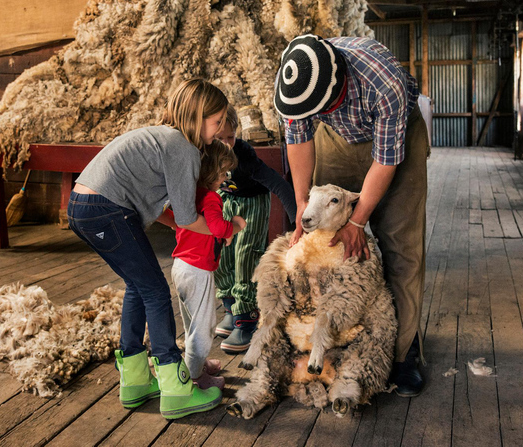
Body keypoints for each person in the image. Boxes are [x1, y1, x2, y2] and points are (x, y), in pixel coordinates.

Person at [274, 34, 429, 397]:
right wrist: (302, 204)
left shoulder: (383, 81)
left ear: (338, 87)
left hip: (396, 135)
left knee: (400, 245)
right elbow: (298, 142)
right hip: (337, 137)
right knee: (328, 244)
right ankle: (337, 343)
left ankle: (404, 354)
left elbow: (386, 160)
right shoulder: (296, 83)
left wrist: (358, 221)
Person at [67, 79, 226, 420]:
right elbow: (187, 217)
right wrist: (225, 229)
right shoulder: (183, 147)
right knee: (155, 291)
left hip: (85, 203)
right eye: (217, 121)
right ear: (197, 118)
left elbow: (172, 217)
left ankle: (136, 381)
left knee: (139, 289)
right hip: (106, 208)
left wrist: (185, 223)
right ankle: (175, 387)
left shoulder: (162, 138)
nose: (220, 129)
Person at [213, 106, 297, 353]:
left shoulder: (244, 155)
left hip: (252, 202)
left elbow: (277, 184)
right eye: (220, 138)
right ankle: (230, 307)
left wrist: (297, 223)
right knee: (222, 254)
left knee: (245, 256)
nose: (226, 144)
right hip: (226, 199)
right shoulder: (205, 150)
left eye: (231, 136)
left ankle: (247, 318)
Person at [167, 141, 246, 390]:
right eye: (223, 173)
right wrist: (235, 224)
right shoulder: (211, 197)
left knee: (191, 322)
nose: (225, 179)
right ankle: (195, 377)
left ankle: (196, 364)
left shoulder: (191, 193)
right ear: (212, 172)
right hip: (198, 270)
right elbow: (217, 227)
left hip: (180, 265)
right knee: (204, 327)